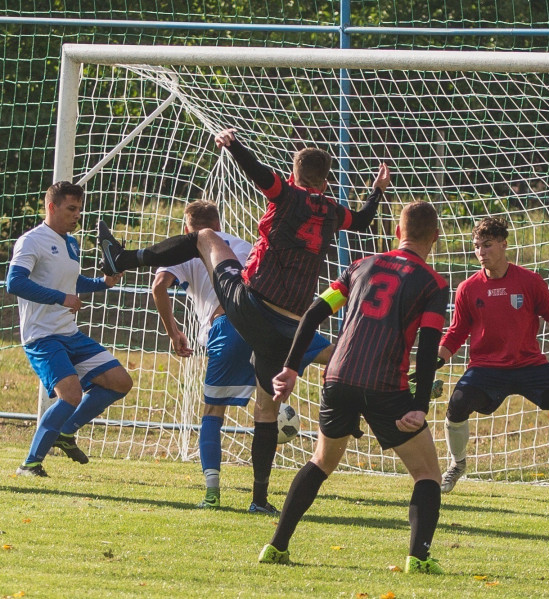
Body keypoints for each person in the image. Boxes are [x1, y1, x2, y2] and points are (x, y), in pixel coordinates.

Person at [98, 128, 389, 515]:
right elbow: (365, 219)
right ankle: (259, 499)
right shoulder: (334, 211)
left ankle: (123, 260)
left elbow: (256, 172)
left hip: (252, 305)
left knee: (205, 237)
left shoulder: (286, 194)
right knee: (266, 412)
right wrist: (377, 189)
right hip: (289, 329)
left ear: (293, 174)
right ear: (326, 180)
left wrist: (232, 144)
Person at [258, 201, 449, 574]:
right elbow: (427, 349)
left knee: (321, 461)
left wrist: (291, 369)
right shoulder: (433, 283)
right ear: (436, 239)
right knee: (427, 474)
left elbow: (313, 313)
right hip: (386, 386)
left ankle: (276, 547)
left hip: (339, 377)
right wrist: (419, 405)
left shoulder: (361, 265)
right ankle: (418, 558)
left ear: (397, 232)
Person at [150, 200, 334, 509]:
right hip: (268, 324)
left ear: (187, 229)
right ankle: (392, 365)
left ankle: (212, 493)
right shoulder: (244, 245)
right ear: (219, 224)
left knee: (213, 413)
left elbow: (159, 287)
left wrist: (174, 332)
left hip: (228, 326)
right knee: (325, 356)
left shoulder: (187, 247)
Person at [437, 216, 549, 502]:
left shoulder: (529, 281)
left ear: (504, 245)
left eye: (488, 245)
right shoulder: (468, 289)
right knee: (456, 406)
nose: (482, 252)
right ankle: (457, 465)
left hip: (530, 366)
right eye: (477, 246)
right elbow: (456, 332)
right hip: (486, 369)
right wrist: (436, 362)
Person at [7, 181, 133, 477]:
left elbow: (71, 282)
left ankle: (65, 431)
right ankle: (30, 464)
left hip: (69, 333)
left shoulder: (71, 243)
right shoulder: (31, 241)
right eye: (71, 208)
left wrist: (104, 283)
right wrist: (59, 298)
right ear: (52, 207)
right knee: (71, 395)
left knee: (120, 382)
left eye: (80, 209)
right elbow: (14, 282)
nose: (77, 215)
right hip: (42, 336)